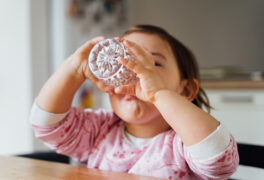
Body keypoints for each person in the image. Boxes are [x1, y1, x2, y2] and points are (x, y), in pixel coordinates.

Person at [30, 25, 239, 179]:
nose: (134, 71)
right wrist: (74, 69)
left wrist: (157, 93)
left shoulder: (184, 144)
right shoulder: (99, 130)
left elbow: (220, 160)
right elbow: (47, 125)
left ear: (185, 90)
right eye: (125, 59)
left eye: (154, 63)